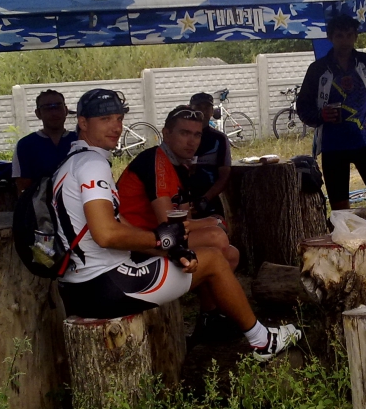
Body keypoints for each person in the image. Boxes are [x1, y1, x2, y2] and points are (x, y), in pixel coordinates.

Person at [53, 88, 299, 361]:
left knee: (211, 254)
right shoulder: (92, 165)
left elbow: (118, 223)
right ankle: (262, 341)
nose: (116, 127)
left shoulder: (74, 162)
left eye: (119, 118)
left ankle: (216, 321)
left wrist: (169, 248)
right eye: (105, 119)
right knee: (214, 259)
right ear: (83, 123)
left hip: (81, 285)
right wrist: (161, 239)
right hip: (105, 285)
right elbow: (107, 234)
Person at [295, 13, 366, 224]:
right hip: (333, 147)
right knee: (341, 214)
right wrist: (320, 116)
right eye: (339, 35)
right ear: (330, 37)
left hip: (365, 142)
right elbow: (302, 107)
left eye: (349, 35)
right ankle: (349, 244)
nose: (345, 41)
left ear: (356, 36)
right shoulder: (318, 69)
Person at [117, 104, 239, 271]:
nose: (192, 142)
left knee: (231, 254)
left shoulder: (182, 167)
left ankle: (199, 282)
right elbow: (169, 225)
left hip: (161, 237)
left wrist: (211, 221)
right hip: (137, 242)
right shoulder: (155, 162)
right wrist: (213, 221)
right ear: (166, 134)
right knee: (216, 237)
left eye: (197, 135)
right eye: (184, 133)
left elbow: (185, 220)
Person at [12, 89, 78, 193]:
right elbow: (23, 188)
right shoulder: (26, 145)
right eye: (47, 108)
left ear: (65, 110)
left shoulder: (80, 140)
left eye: (58, 106)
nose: (54, 113)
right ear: (38, 113)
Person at [184, 92, 232, 218]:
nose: (203, 112)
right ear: (190, 109)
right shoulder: (180, 136)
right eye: (198, 107)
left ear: (212, 111)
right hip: (180, 199)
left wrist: (204, 200)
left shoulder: (219, 139)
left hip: (209, 199)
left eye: (207, 108)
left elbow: (224, 176)